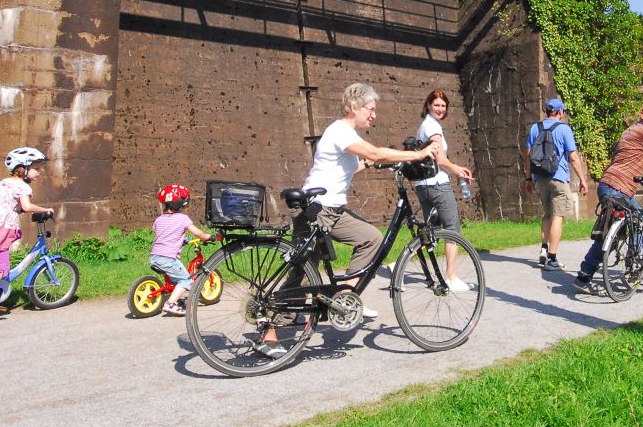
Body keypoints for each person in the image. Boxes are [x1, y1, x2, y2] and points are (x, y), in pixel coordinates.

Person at [259, 83, 442, 357]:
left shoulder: (346, 135)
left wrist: (375, 164)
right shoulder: (341, 130)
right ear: (354, 107)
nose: (374, 115)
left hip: (331, 210)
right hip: (317, 210)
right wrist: (417, 154)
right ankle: (269, 333)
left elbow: (354, 164)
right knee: (303, 272)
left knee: (371, 238)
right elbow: (375, 151)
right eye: (371, 109)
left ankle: (343, 297)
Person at [574, 102, 643, 293]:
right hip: (618, 188)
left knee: (608, 233)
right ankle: (636, 264)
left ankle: (583, 277)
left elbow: (632, 154)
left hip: (609, 185)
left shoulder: (630, 132)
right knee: (638, 219)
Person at [0, 147, 56, 326]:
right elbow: (27, 207)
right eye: (36, 168)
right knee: (1, 269)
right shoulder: (22, 186)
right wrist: (46, 210)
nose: (39, 172)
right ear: (23, 168)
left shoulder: (4, 182)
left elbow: (11, 205)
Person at [410, 89, 475, 290]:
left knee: (432, 230)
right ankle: (451, 276)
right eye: (436, 105)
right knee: (452, 228)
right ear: (428, 105)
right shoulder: (433, 128)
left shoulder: (425, 126)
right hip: (437, 183)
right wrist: (456, 170)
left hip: (423, 185)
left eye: (443, 106)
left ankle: (400, 265)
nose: (440, 109)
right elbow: (439, 157)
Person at [523, 97, 589, 271]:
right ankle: (552, 258)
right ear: (560, 112)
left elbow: (528, 155)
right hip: (558, 177)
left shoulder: (535, 128)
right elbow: (573, 157)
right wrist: (582, 180)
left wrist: (528, 178)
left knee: (547, 214)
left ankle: (543, 251)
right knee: (557, 216)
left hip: (540, 178)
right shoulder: (564, 129)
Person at [150, 184, 216, 316]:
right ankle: (170, 304)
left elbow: (163, 234)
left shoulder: (159, 219)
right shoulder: (183, 219)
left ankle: (176, 298)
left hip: (154, 257)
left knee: (176, 279)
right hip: (168, 259)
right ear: (181, 204)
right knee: (186, 280)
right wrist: (209, 237)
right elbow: (198, 233)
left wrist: (182, 240)